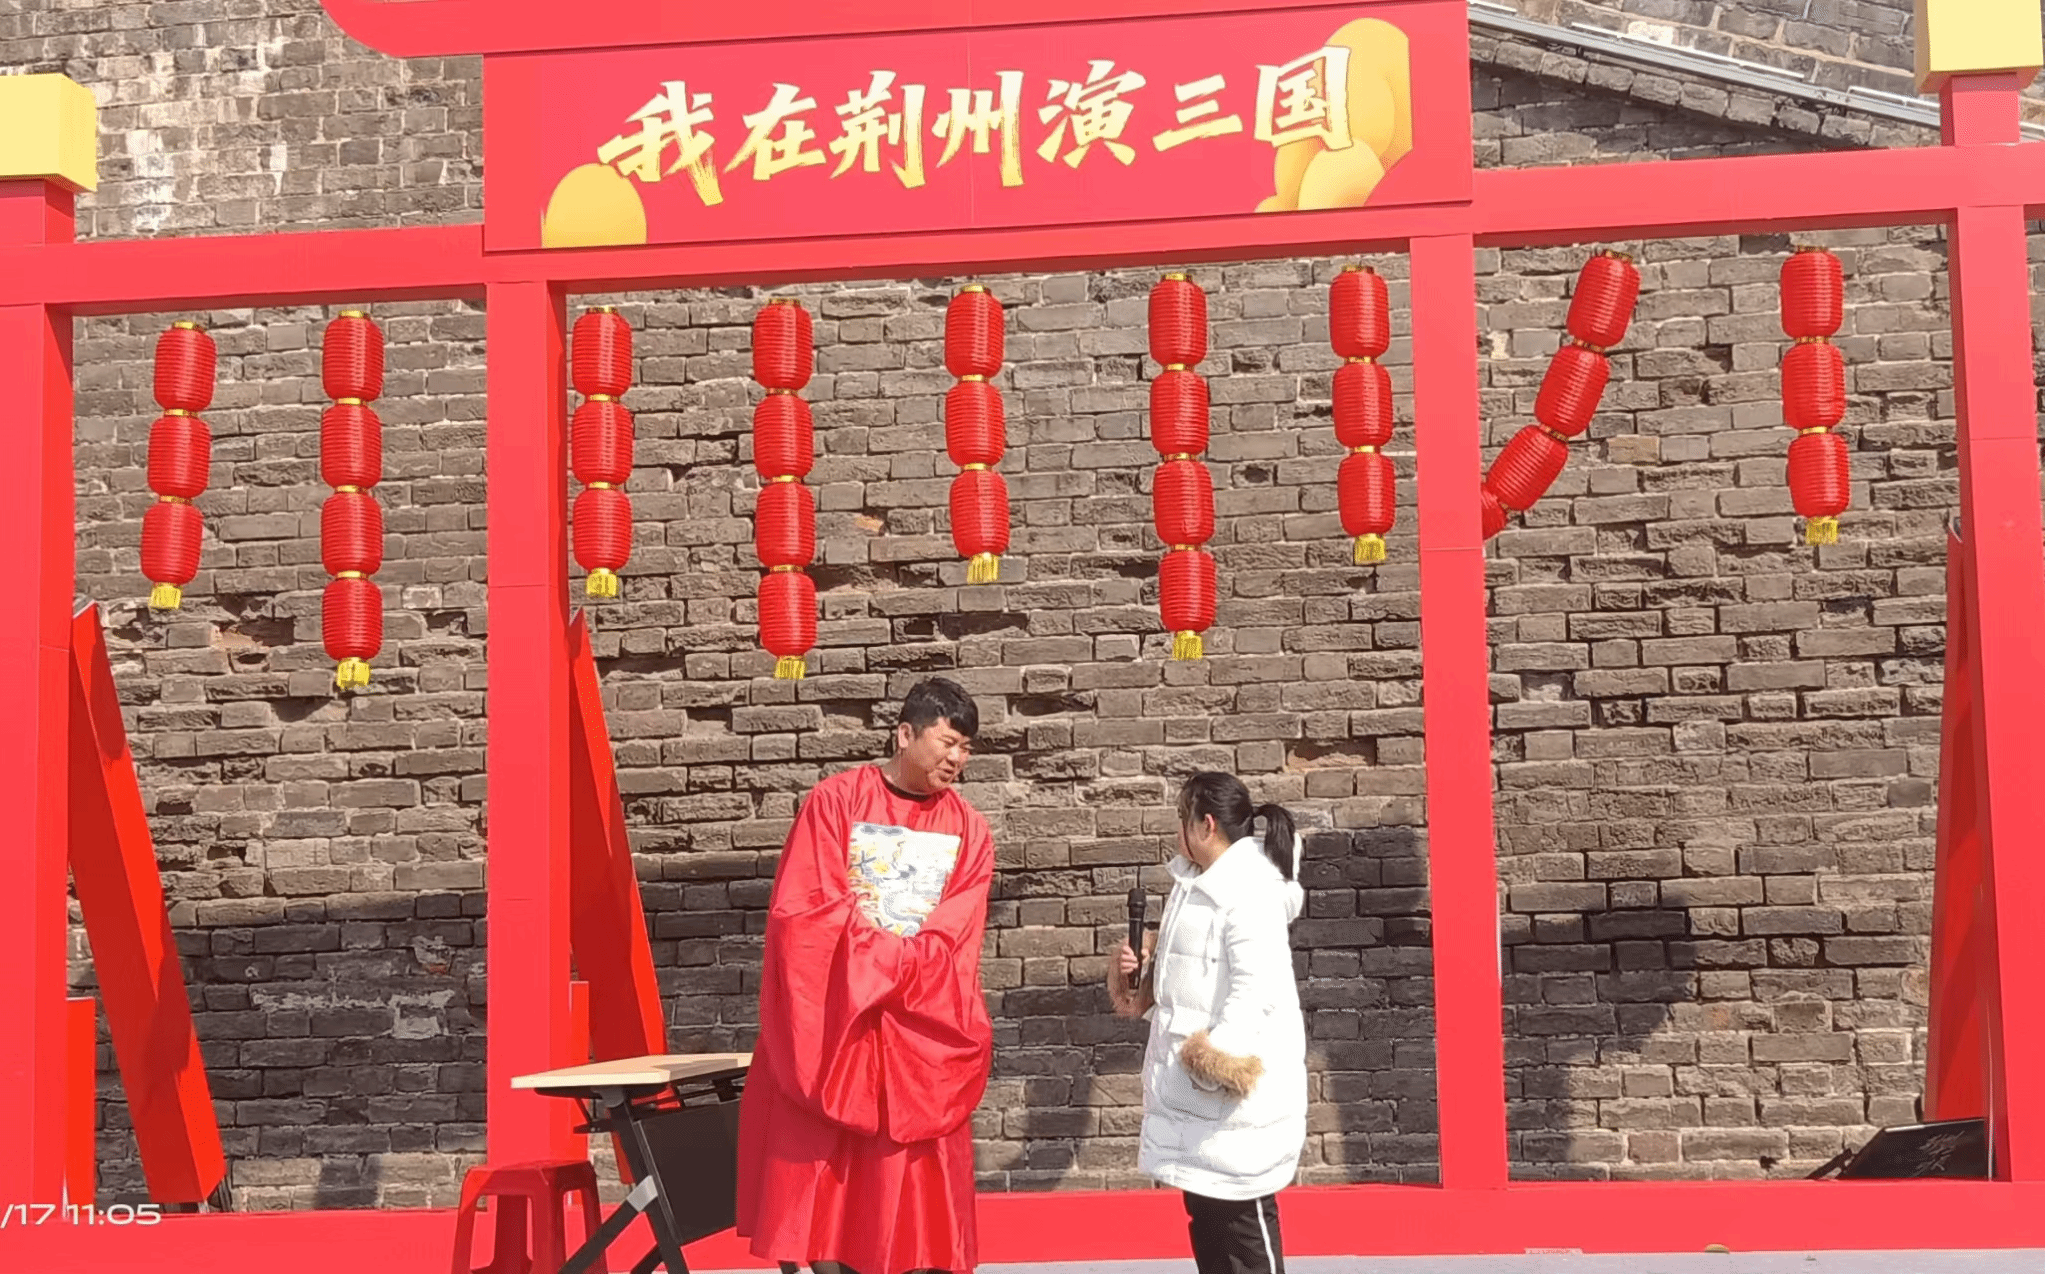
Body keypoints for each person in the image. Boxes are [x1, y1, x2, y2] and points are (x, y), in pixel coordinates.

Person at [735, 676, 995, 1275]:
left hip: (917, 1025)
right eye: (948, 742)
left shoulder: (970, 830)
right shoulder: (834, 803)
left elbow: (956, 932)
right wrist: (887, 962)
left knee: (913, 1204)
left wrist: (892, 968)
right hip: (841, 1021)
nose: (957, 759)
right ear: (905, 734)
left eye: (966, 749)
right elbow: (807, 912)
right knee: (828, 1195)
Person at [1110, 772, 1307, 1275]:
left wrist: (1213, 1065)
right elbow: (1196, 983)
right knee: (1212, 1230)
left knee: (1244, 1234)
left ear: (1207, 824)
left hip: (1232, 1106)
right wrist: (1146, 971)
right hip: (1201, 1110)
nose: (1177, 827)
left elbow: (1255, 987)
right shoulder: (1196, 881)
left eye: (1182, 816)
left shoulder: (1249, 889)